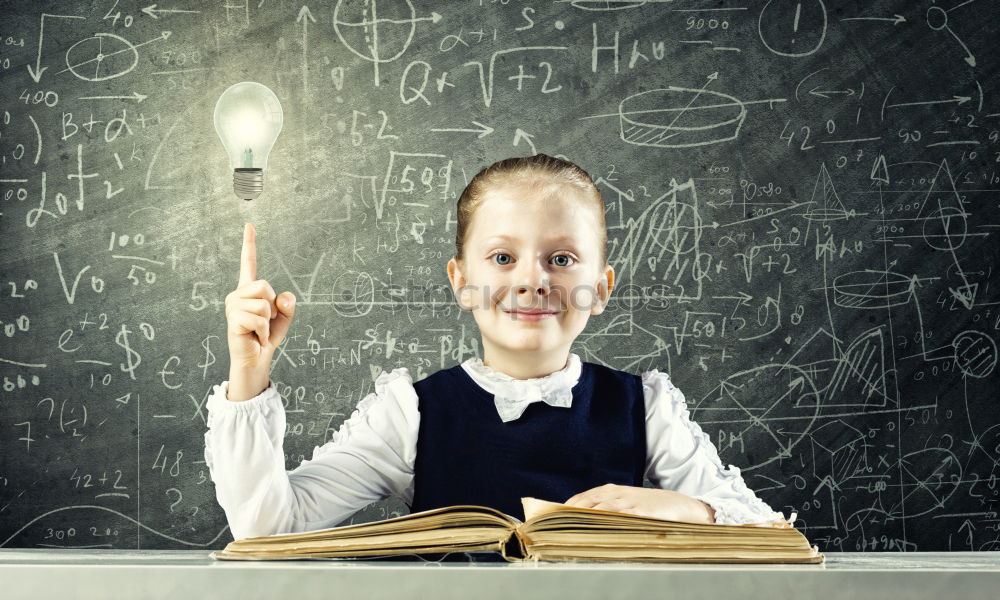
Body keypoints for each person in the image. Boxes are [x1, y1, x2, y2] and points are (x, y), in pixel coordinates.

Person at [204, 154, 787, 552]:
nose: (533, 281)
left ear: (602, 287)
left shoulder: (647, 408)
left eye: (561, 260)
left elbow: (766, 531)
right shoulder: (410, 413)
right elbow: (266, 528)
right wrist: (249, 375)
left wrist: (688, 510)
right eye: (503, 259)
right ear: (461, 280)